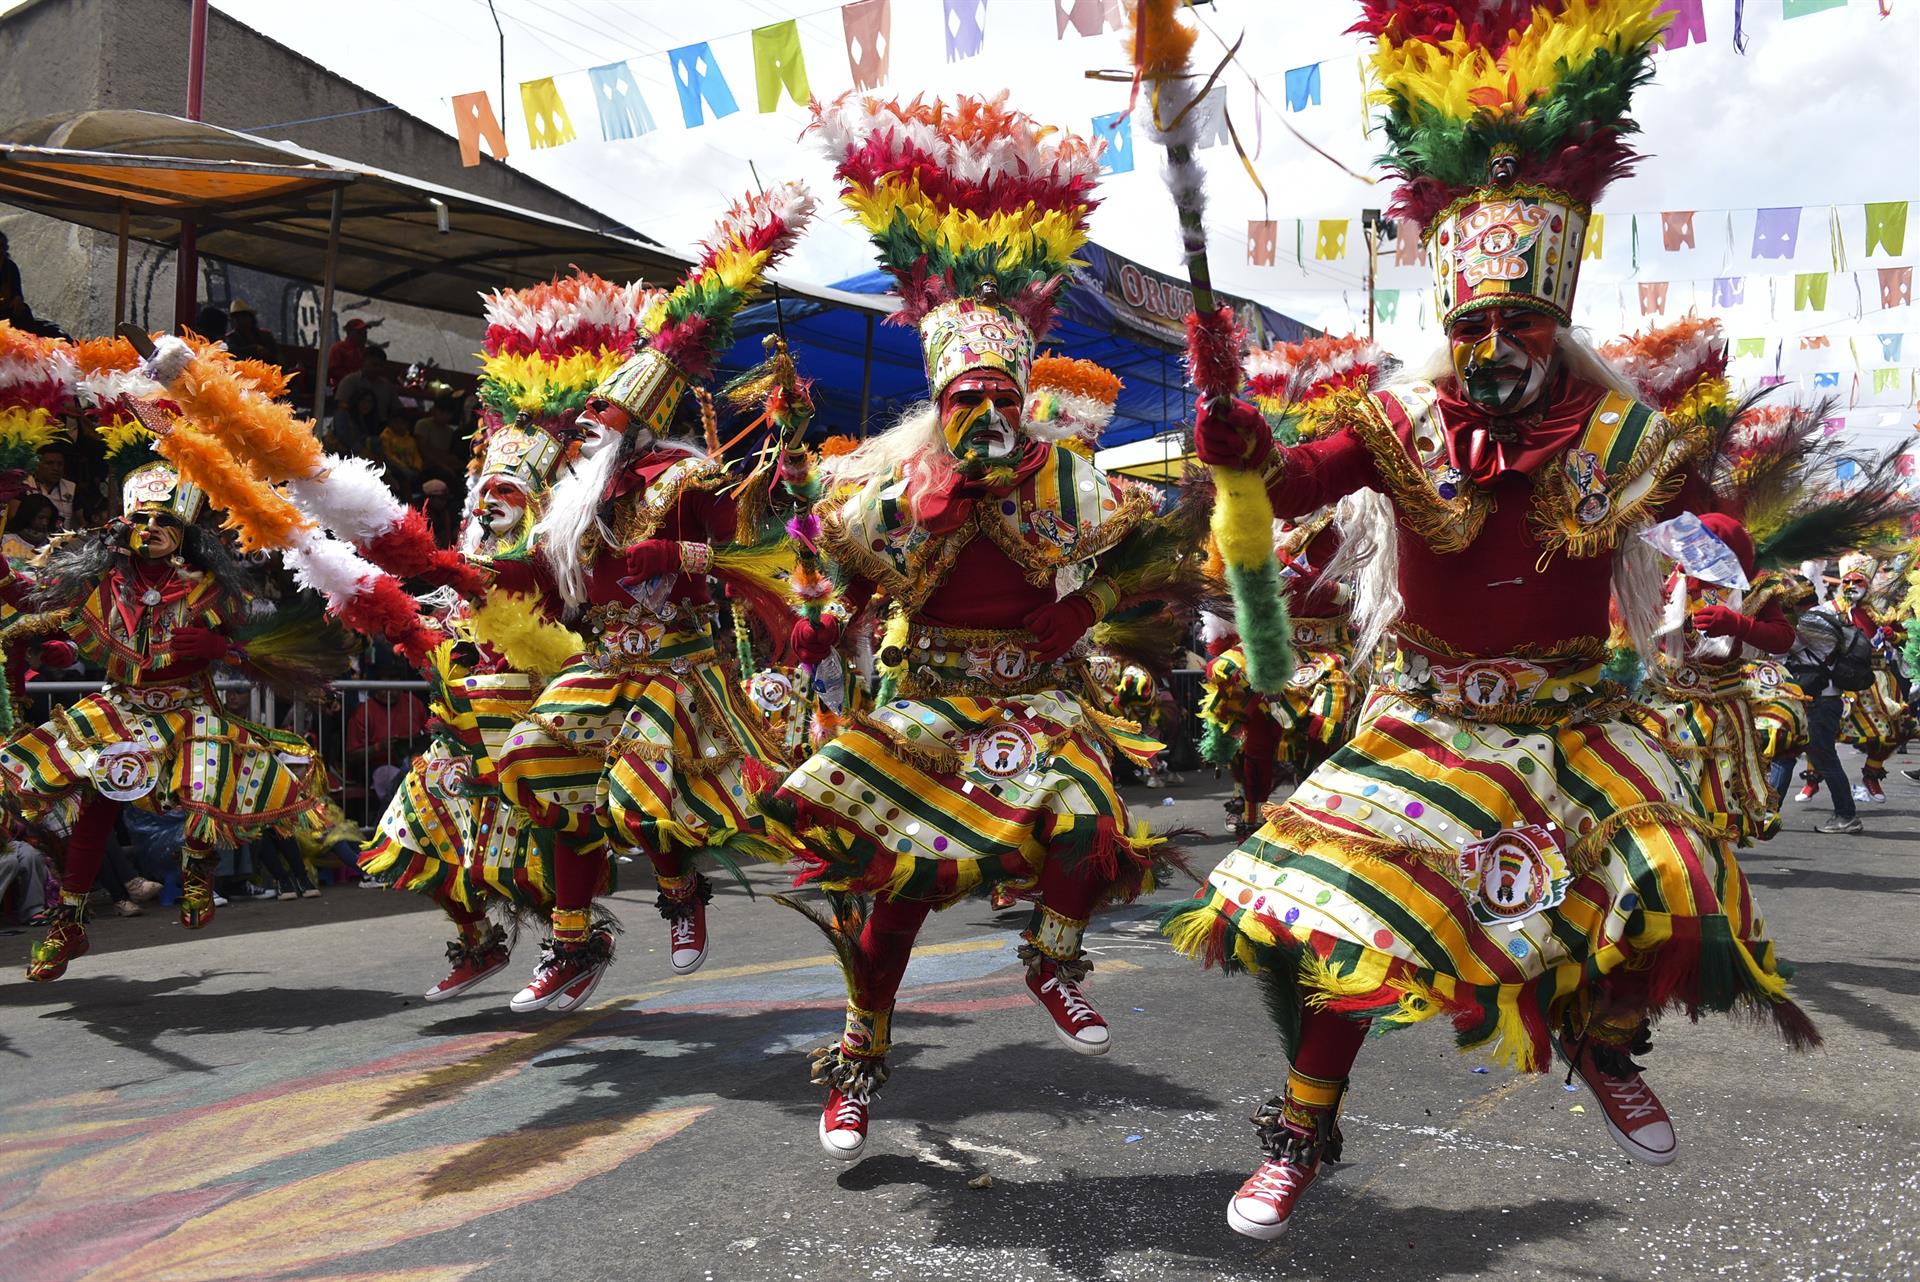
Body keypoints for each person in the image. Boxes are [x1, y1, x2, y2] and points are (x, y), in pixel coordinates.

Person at [1165, 0, 1816, 1240]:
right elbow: (1291, 482)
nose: (1496, 344)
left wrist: (1732, 576)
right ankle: (1302, 1130)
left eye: (1520, 321)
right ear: (1448, 330)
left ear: (1555, 325)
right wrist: (1240, 445)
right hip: (1426, 723)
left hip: (1578, 723)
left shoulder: (1624, 433)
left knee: (1679, 880)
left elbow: (1705, 532)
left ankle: (1606, 1045)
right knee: (1352, 926)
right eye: (1474, 323)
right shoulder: (1398, 426)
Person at [770, 93, 1198, 1162]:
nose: (991, 415)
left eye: (1002, 394)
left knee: (1085, 809)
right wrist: (829, 618)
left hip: (1038, 698)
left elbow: (1155, 554)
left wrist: (1088, 608)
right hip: (927, 701)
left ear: (1020, 392)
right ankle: (861, 1056)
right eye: (970, 398)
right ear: (944, 399)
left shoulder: (1068, 475)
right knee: (900, 886)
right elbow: (832, 558)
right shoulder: (896, 482)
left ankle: (1053, 957)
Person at [491, 182, 815, 1014]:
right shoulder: (569, 492)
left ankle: (679, 893)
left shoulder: (682, 474)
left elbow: (746, 524)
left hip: (676, 667)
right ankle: (574, 942)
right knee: (539, 768)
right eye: (586, 419)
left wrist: (785, 459)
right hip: (604, 661)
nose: (586, 429)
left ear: (632, 426)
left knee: (639, 797)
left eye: (600, 418)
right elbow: (562, 579)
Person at [0, 428, 329, 980]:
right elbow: (37, 610)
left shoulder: (211, 589)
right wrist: (39, 634)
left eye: (164, 522)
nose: (151, 529)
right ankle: (69, 921)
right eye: (142, 521)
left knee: (203, 786)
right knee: (97, 803)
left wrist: (219, 646)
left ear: (184, 534)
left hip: (188, 707)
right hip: (121, 709)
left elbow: (268, 650)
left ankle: (198, 868)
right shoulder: (100, 584)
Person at [25, 444, 76, 526]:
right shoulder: (24, 484)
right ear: (37, 464)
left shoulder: (72, 488)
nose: (56, 468)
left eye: (60, 464)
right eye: (50, 463)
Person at [326, 316, 380, 391]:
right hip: (340, 389)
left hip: (364, 390)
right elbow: (332, 371)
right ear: (349, 332)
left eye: (365, 332)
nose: (364, 335)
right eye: (359, 332)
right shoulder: (338, 348)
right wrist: (358, 377)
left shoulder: (367, 352)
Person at [224, 299, 280, 366]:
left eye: (244, 317)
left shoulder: (265, 335)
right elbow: (232, 352)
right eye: (237, 318)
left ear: (251, 318)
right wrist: (254, 348)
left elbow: (277, 356)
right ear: (233, 321)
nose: (241, 321)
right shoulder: (230, 338)